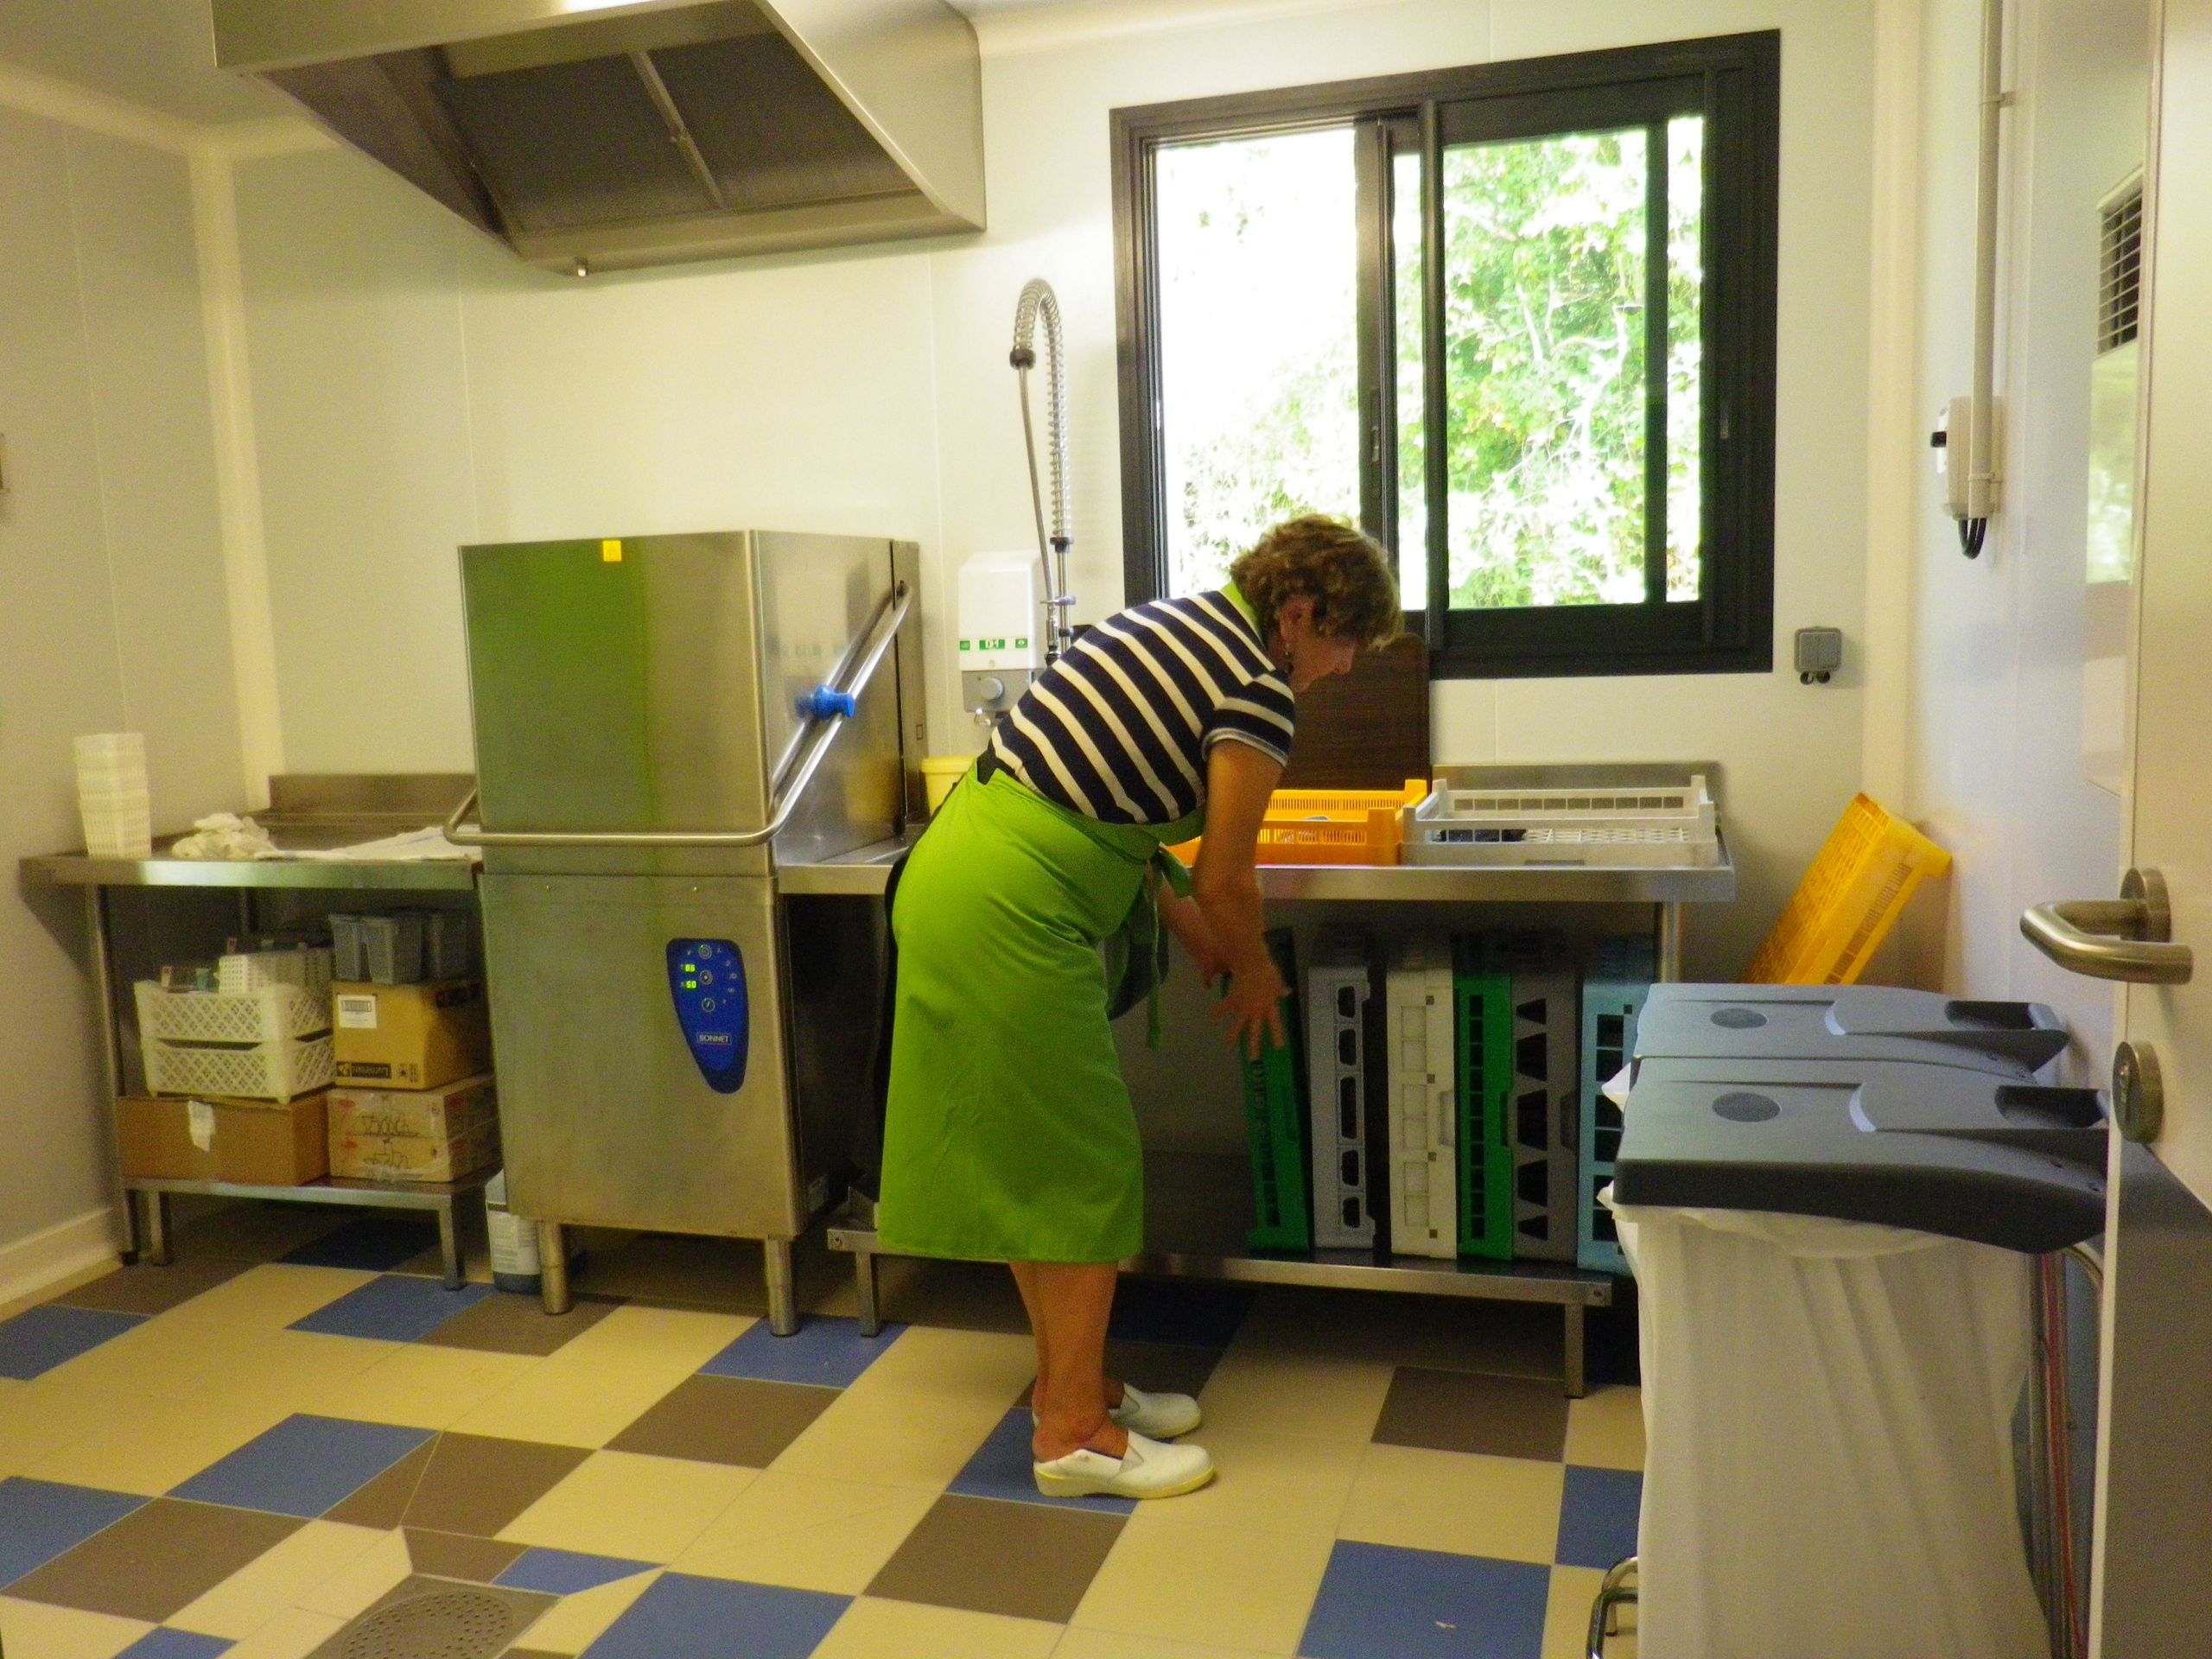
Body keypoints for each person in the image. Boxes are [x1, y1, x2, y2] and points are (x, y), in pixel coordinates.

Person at [876, 514, 1402, 1499]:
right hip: (1007, 904)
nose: (1342, 671)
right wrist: (1251, 970)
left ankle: (1070, 1389)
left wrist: (1207, 943)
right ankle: (1073, 1438)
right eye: (1345, 647)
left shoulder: (1181, 623)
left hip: (966, 876)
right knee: (1081, 1165)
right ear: (1297, 617)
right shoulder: (1254, 686)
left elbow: (1117, 824)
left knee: (1038, 1161)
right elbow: (1230, 878)